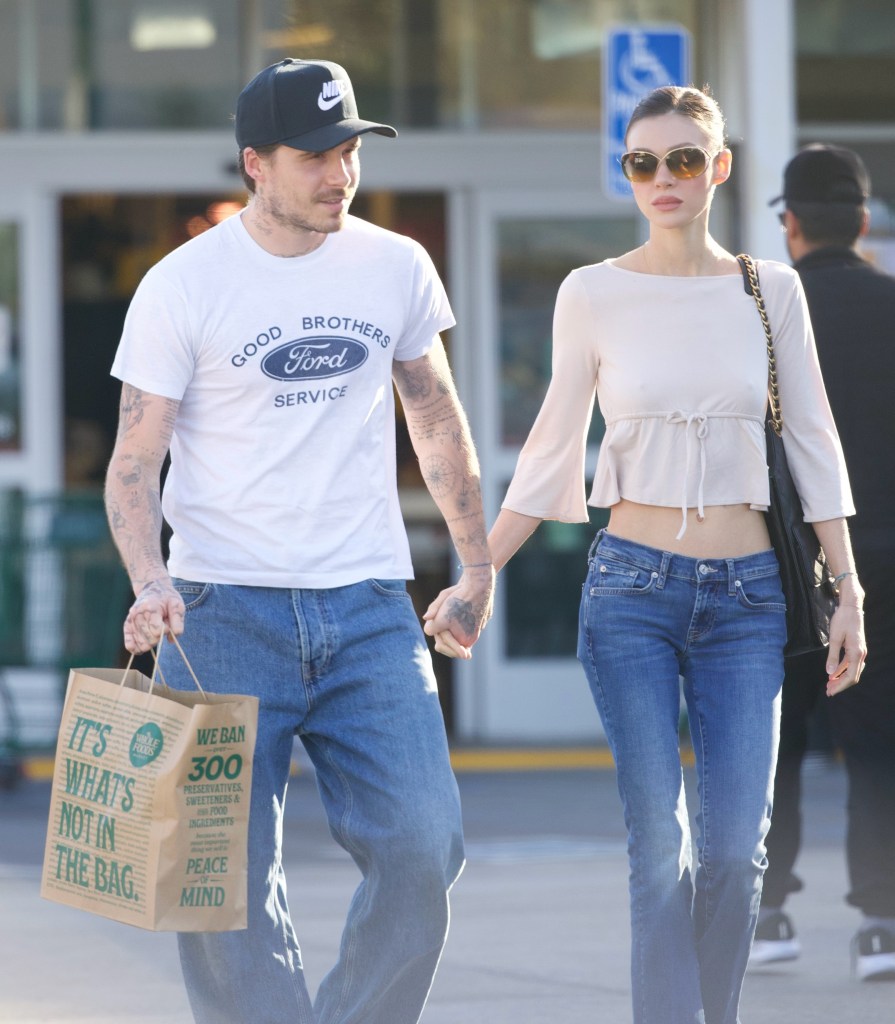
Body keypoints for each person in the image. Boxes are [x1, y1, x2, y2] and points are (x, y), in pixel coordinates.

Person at [436, 85, 867, 1024]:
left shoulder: (770, 290)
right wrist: (481, 572)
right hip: (629, 588)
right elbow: (551, 449)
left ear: (717, 168)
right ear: (625, 173)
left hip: (750, 594)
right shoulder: (590, 291)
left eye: (682, 160)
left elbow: (813, 440)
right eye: (642, 162)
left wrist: (847, 590)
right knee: (655, 844)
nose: (662, 179)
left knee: (730, 851)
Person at [104, 57, 494, 1024]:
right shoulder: (181, 285)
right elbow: (132, 460)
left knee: (423, 844)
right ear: (255, 164)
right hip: (218, 615)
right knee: (219, 893)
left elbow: (436, 418)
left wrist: (475, 563)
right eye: (315, 152)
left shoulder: (393, 264)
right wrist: (149, 578)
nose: (340, 170)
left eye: (351, 148)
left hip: (367, 607)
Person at [749, 145, 895, 981]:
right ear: (864, 222)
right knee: (878, 743)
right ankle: (881, 923)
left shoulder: (764, 315)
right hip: (883, 563)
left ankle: (765, 914)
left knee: (774, 736)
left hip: (780, 558)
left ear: (789, 223)